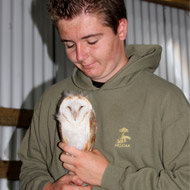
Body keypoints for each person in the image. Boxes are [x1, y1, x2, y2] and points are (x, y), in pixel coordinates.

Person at [18, 0, 190, 189]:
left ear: (121, 29)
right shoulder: (52, 99)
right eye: (69, 45)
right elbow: (31, 167)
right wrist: (48, 187)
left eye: (91, 41)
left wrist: (108, 176)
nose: (80, 55)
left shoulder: (166, 100)